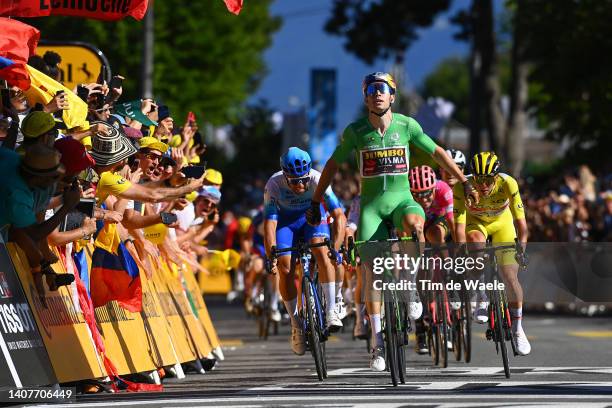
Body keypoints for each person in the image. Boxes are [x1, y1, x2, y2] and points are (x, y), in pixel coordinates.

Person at [307, 72, 476, 372]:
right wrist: (315, 200)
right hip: (371, 206)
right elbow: (333, 164)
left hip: (402, 201)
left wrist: (463, 181)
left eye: (382, 89)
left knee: (415, 225)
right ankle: (377, 343)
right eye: (371, 90)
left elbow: (436, 152)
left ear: (392, 96)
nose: (377, 94)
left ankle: (410, 288)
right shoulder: (356, 131)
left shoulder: (407, 126)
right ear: (365, 97)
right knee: (371, 273)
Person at [264, 147, 346, 356]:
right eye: (294, 181)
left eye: (304, 180)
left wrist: (335, 249)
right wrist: (270, 254)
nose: (300, 185)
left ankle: (330, 310)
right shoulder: (274, 184)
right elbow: (270, 225)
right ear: (285, 176)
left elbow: (339, 215)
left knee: (321, 250)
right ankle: (296, 323)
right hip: (286, 223)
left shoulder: (318, 179)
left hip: (312, 218)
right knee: (284, 266)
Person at [453, 151, 531, 356]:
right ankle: (481, 295)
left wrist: (521, 249)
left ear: (496, 176)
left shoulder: (508, 183)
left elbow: (521, 224)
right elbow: (459, 227)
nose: (484, 185)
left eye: (488, 180)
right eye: (479, 180)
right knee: (475, 242)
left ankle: (517, 328)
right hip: (476, 224)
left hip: (502, 225)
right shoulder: (462, 187)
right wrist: (461, 252)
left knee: (510, 276)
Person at [408, 164, 456, 354]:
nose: (424, 200)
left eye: (427, 194)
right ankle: (420, 327)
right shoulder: (406, 196)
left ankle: (449, 271)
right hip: (417, 226)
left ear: (434, 188)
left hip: (438, 223)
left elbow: (453, 222)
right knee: (418, 275)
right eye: (417, 195)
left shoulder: (444, 189)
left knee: (436, 234)